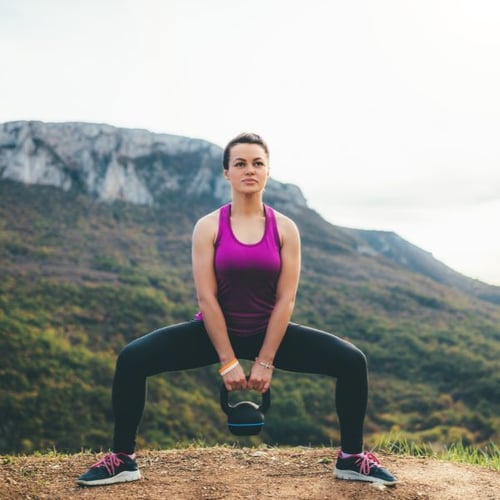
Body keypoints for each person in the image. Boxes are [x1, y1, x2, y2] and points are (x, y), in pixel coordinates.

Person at [77, 132, 397, 487]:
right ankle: (123, 458)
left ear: (268, 171)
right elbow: (207, 299)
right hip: (214, 332)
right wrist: (228, 361)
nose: (250, 170)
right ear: (226, 172)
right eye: (240, 163)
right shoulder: (209, 226)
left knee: (352, 361)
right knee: (132, 358)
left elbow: (285, 300)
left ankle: (351, 458)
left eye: (257, 163)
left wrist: (265, 359)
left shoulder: (286, 229)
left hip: (269, 332)